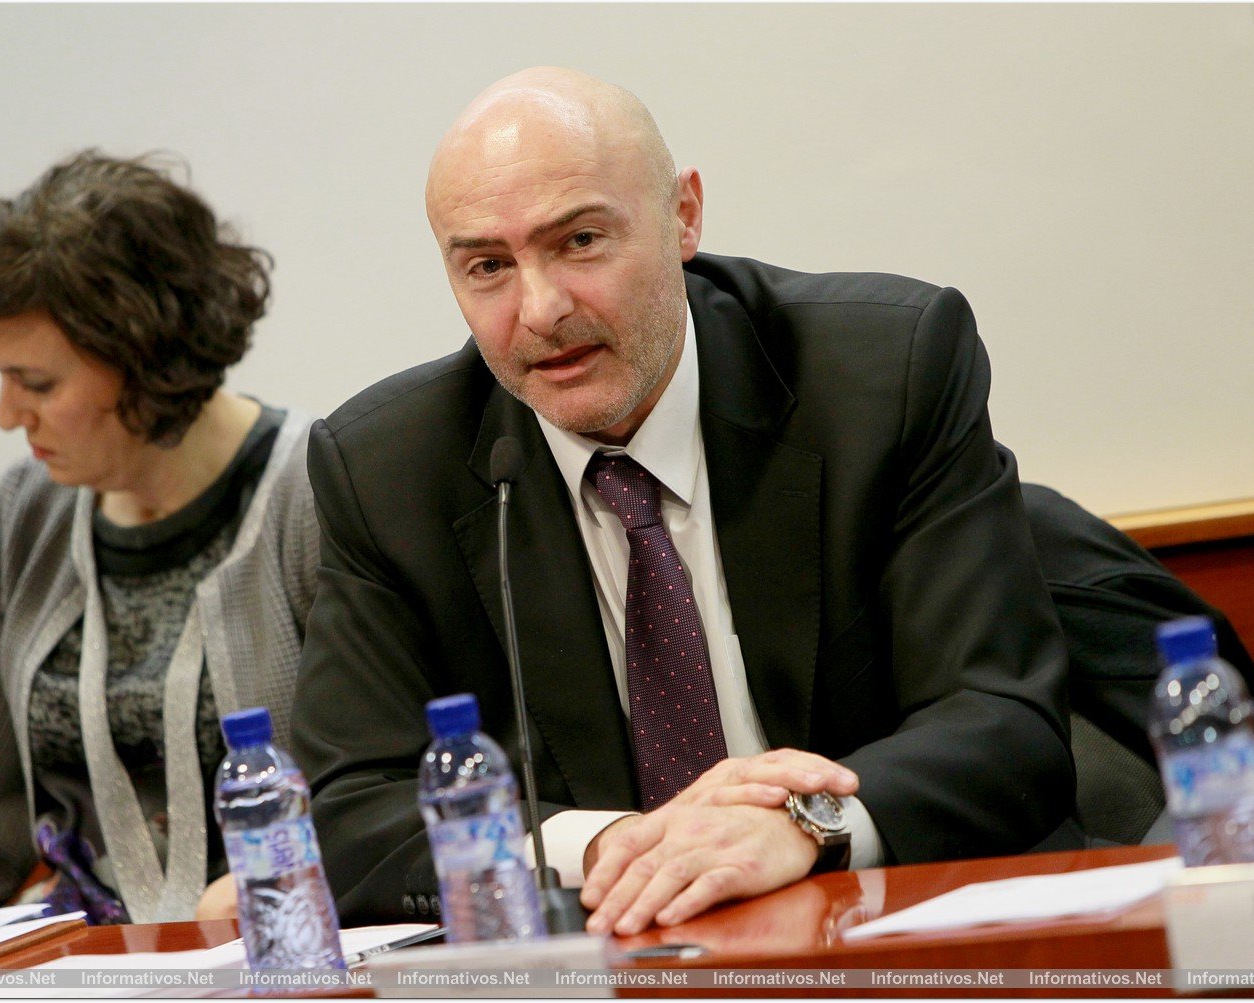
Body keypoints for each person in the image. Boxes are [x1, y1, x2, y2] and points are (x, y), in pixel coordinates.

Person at [289, 66, 1075, 937]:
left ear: (683, 215)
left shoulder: (884, 373)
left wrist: (800, 826)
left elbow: (1005, 720)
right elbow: (348, 813)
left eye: (581, 241)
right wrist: (611, 847)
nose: (541, 309)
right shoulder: (387, 469)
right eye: (488, 266)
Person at [0, 152, 319, 928]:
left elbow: (375, 795)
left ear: (145, 357)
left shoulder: (313, 492)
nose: (9, 415)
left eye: (37, 384)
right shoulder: (26, 516)